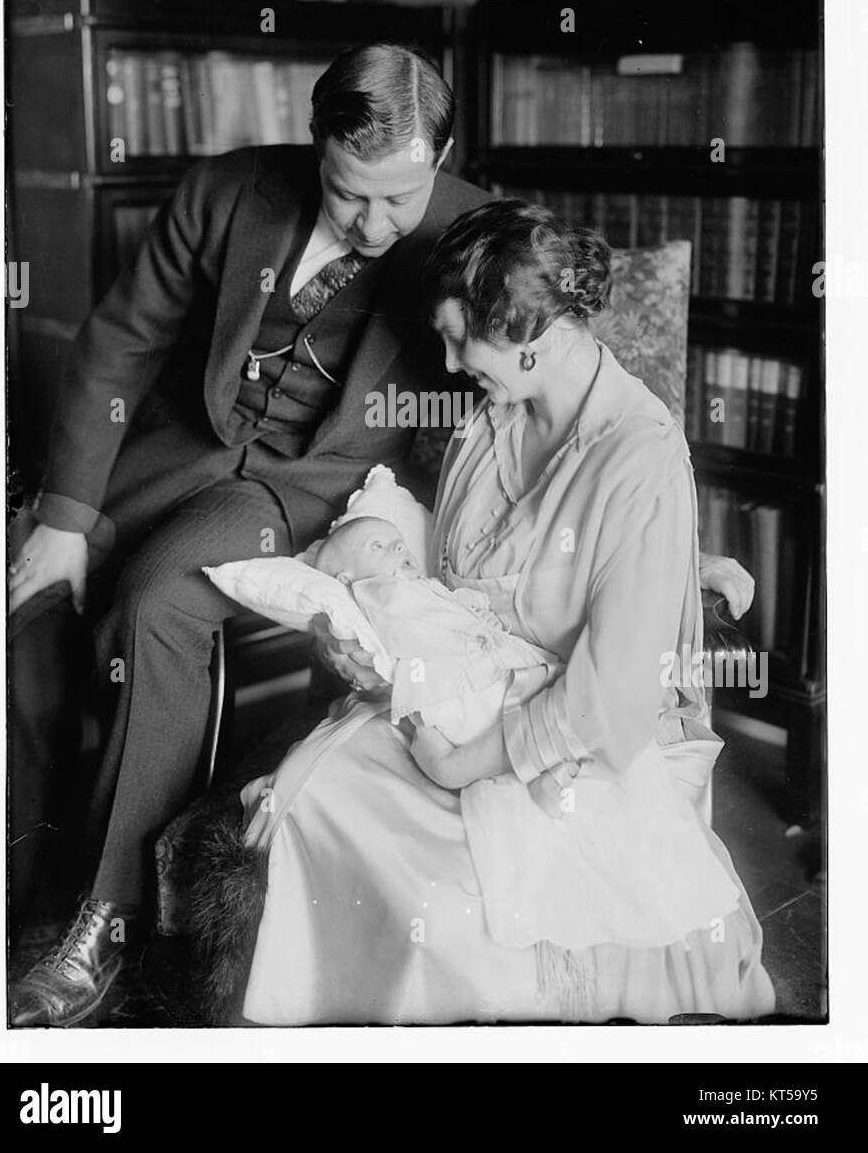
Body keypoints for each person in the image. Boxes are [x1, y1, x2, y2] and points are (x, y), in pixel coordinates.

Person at [8, 44, 752, 1028]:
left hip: (312, 488)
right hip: (176, 452)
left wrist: (668, 556)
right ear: (315, 145)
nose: (374, 224)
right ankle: (10, 867)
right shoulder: (229, 189)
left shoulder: (470, 238)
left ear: (439, 161)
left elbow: (582, 392)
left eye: (401, 199)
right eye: (350, 195)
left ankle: (103, 912)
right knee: (25, 595)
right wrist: (63, 518)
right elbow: (119, 342)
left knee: (154, 602)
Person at [237, 200, 775, 1025]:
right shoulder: (488, 424)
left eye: (462, 339)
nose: (449, 365)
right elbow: (452, 587)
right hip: (464, 698)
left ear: (532, 332)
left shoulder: (643, 452)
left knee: (445, 918)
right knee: (318, 802)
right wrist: (369, 640)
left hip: (573, 748)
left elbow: (614, 696)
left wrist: (460, 763)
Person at [314, 514, 555, 744]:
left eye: (401, 543)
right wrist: (473, 634)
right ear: (346, 580)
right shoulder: (380, 593)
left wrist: (478, 615)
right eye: (377, 546)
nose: (399, 547)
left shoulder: (417, 588)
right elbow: (421, 631)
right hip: (469, 687)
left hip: (486, 673)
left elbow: (449, 611)